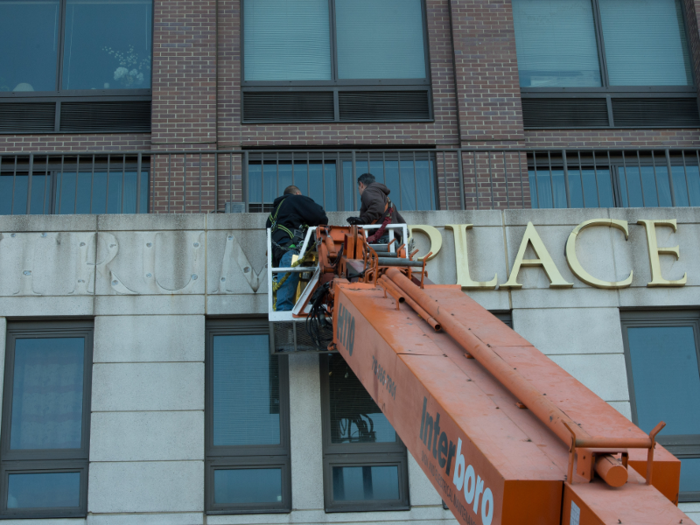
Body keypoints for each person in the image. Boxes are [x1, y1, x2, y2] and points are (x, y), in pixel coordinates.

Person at [267, 185, 328, 311]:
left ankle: (285, 310)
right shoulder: (295, 200)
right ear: (298, 193)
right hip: (292, 251)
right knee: (286, 306)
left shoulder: (272, 216)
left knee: (285, 290)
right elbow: (320, 215)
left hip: (280, 255)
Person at [346, 173, 405, 243]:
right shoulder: (386, 200)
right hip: (393, 240)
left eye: (358, 187)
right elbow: (402, 222)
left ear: (361, 184)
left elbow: (378, 205)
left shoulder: (368, 191)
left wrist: (363, 220)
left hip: (381, 239)